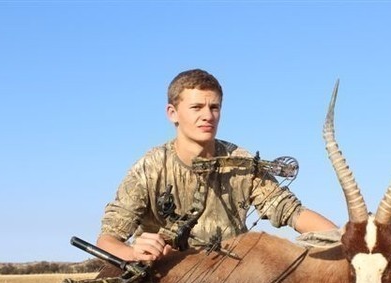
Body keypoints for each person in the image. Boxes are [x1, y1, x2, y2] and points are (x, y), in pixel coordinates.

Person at [97, 69, 336, 262]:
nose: (208, 116)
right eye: (196, 107)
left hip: (227, 281)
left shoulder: (240, 161)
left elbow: (290, 211)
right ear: (172, 113)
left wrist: (347, 238)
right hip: (166, 280)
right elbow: (107, 240)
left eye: (214, 107)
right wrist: (133, 253)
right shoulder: (150, 167)